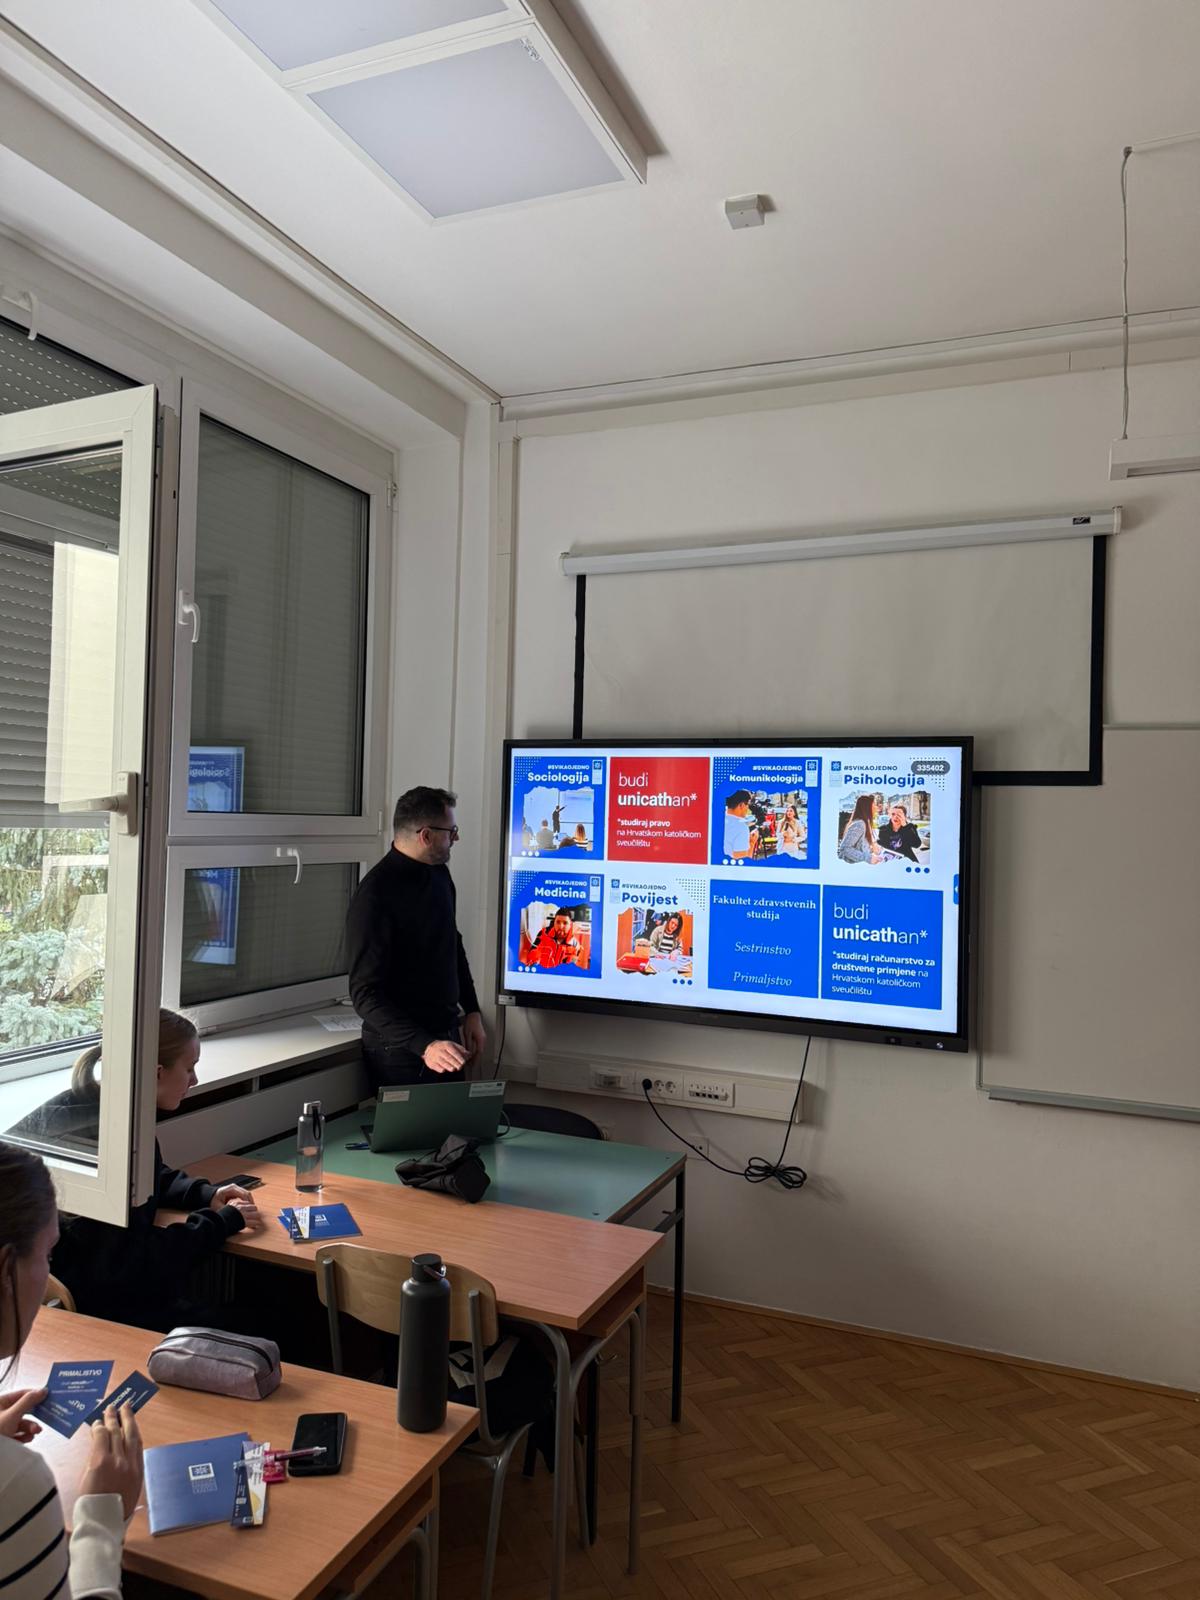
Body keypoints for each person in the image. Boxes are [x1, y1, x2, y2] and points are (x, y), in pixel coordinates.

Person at [7, 1011, 264, 1332]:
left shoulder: (86, 1106)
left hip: (72, 1287)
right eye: (189, 1068)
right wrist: (222, 1222)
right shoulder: (119, 1135)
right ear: (157, 1072)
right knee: (256, 1326)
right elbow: (139, 1262)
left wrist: (205, 1193)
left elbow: (144, 1176)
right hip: (103, 1309)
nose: (194, 1080)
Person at [0, 1141, 143, 1600]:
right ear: (6, 1271)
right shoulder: (17, 1484)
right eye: (47, 1256)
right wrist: (102, 1515)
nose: (48, 1278)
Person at [347, 786, 486, 1090]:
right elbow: (364, 994)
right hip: (401, 1050)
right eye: (451, 831)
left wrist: (472, 1011)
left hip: (445, 1037)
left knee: (457, 1122)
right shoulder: (375, 895)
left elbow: (452, 945)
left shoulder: (439, 874)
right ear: (426, 835)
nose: (456, 838)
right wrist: (425, 1046)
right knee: (419, 1126)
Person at [838, 795, 883, 864]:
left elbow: (860, 847)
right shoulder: (859, 824)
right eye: (874, 804)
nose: (876, 807)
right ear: (867, 807)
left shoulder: (866, 823)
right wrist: (868, 858)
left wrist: (873, 848)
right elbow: (845, 848)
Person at [723, 790, 758, 860]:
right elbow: (742, 860)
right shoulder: (741, 828)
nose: (748, 808)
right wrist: (752, 842)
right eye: (747, 805)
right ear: (741, 805)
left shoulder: (717, 819)